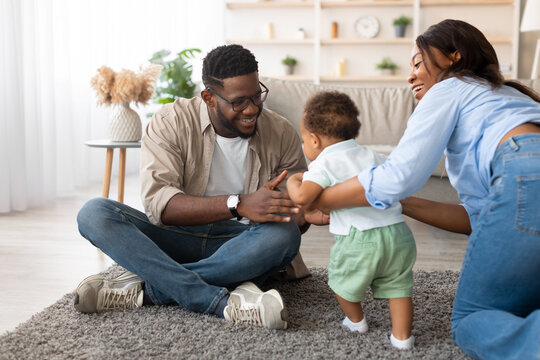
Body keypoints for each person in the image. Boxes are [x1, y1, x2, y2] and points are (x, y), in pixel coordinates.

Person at [310, 19, 540, 359]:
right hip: (527, 184)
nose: (411, 75)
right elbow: (482, 220)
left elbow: (397, 176)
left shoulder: (451, 87)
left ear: (453, 58)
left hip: (526, 174)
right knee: (520, 303)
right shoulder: (508, 97)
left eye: (418, 63)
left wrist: (319, 198)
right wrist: (396, 204)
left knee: (472, 319)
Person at [74, 44, 312, 330]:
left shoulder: (281, 131)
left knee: (283, 236)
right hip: (174, 239)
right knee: (94, 212)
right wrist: (239, 204)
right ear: (209, 97)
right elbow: (161, 207)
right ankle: (223, 300)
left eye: (256, 96)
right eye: (238, 101)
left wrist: (300, 214)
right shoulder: (169, 122)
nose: (252, 109)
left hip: (242, 243)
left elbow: (297, 211)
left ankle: (149, 289)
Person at [286, 91, 417, 350]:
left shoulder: (323, 164)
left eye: (303, 139)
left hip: (360, 239)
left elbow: (302, 197)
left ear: (314, 140)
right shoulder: (372, 155)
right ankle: (402, 338)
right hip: (398, 234)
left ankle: (356, 321)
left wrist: (294, 179)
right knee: (399, 286)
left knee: (340, 280)